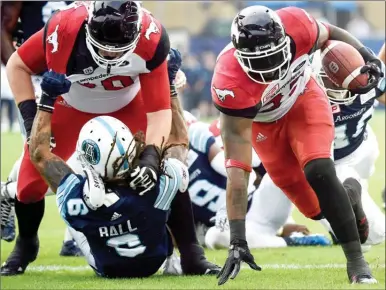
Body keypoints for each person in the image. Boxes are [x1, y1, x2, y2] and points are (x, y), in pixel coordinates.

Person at [2, 2, 217, 276]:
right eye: (103, 46)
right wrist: (32, 119)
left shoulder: (152, 37)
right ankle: (26, 243)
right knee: (29, 186)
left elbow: (159, 112)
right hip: (70, 104)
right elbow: (17, 65)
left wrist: (151, 156)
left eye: (119, 49)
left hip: (128, 104)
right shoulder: (64, 28)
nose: (109, 55)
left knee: (167, 166)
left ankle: (191, 253)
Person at [211, 5, 384, 285]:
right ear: (241, 58)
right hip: (265, 126)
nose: (270, 68)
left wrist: (365, 55)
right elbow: (238, 171)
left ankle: (357, 263)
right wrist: (237, 240)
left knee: (319, 169)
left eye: (273, 56)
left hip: (304, 98)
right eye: (260, 61)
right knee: (315, 209)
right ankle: (349, 195)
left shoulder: (297, 24)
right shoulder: (230, 82)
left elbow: (330, 33)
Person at [28, 102, 189, 278]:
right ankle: (172, 258)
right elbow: (179, 140)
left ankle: (67, 237)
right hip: (153, 261)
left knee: (71, 205)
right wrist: (171, 91)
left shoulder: (75, 198)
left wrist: (46, 101)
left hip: (106, 268)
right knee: (170, 188)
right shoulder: (158, 185)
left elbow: (39, 153)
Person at [0, 0, 81, 256]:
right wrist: (18, 63)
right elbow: (4, 24)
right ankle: (11, 191)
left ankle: (73, 237)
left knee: (90, 152)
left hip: (83, 76)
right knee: (40, 155)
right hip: (39, 76)